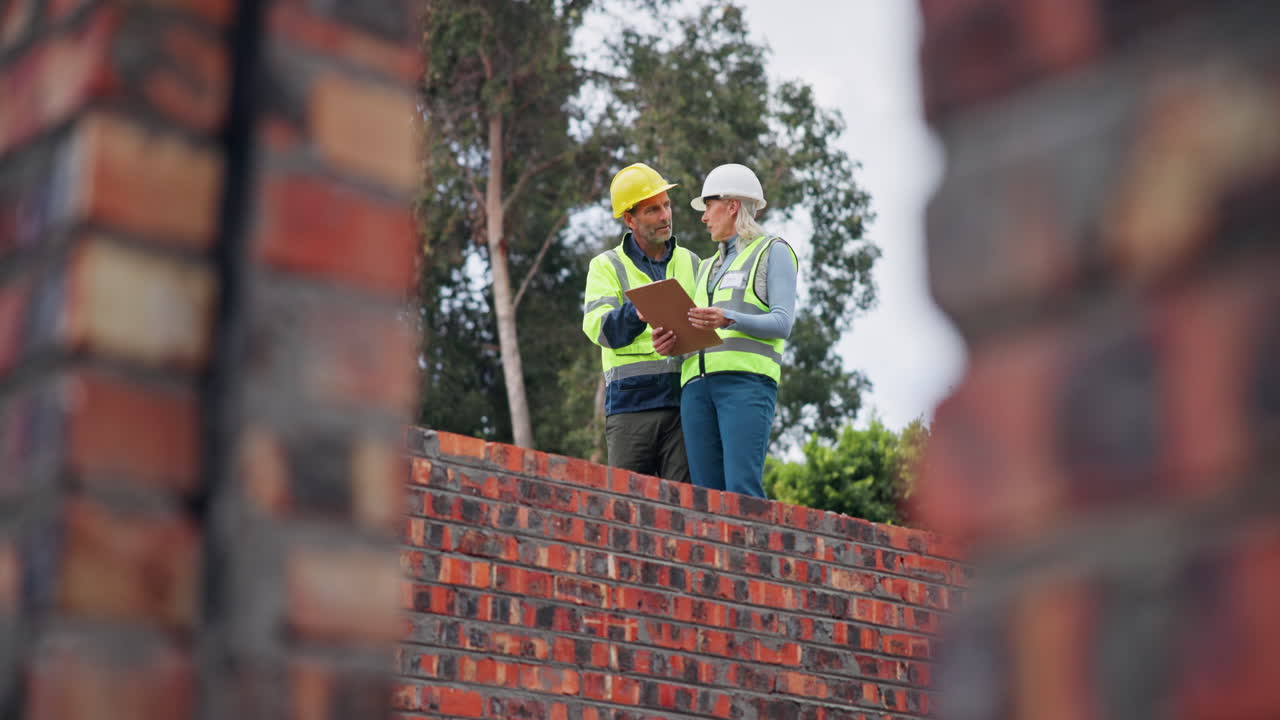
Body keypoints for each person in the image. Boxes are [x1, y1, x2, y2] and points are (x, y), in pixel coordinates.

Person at [656, 163, 798, 498]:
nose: (704, 217)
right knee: (704, 498)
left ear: (732, 206)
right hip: (695, 391)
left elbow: (782, 322)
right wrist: (670, 340)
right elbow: (696, 327)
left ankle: (751, 552)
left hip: (745, 385)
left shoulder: (773, 251)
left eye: (708, 206)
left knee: (741, 492)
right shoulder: (705, 268)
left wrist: (728, 318)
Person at [582, 163, 701, 483]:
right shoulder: (606, 266)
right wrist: (639, 310)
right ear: (630, 219)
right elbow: (600, 329)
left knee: (683, 509)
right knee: (627, 508)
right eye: (652, 210)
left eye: (666, 205)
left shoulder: (691, 262)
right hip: (631, 408)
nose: (665, 216)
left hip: (684, 408)